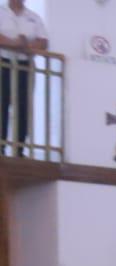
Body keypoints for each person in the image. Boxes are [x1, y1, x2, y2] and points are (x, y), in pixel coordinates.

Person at [0, 0, 47, 153]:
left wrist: (26, 47)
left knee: (23, 107)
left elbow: (43, 41)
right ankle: (1, 146)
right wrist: (14, 43)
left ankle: (19, 148)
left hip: (25, 65)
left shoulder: (34, 17)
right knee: (2, 104)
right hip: (3, 62)